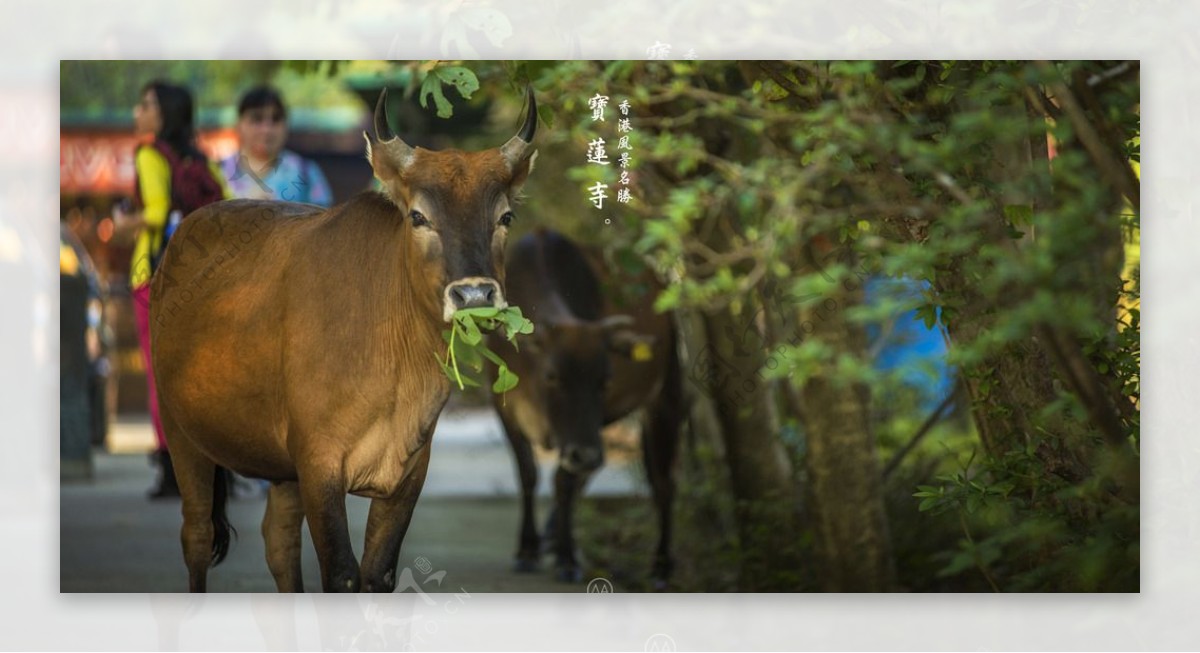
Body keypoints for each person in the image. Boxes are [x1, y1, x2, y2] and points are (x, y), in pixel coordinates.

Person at [113, 81, 231, 499]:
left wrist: (125, 225)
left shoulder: (148, 153)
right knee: (207, 373)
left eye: (145, 105)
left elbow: (157, 211)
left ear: (164, 114)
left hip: (154, 274)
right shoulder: (201, 159)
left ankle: (171, 469)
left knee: (162, 376)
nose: (136, 112)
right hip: (200, 279)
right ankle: (218, 465)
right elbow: (227, 207)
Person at [219, 85, 333, 206]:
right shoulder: (217, 174)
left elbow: (326, 222)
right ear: (239, 124)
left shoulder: (306, 172)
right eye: (257, 119)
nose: (267, 129)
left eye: (276, 119)